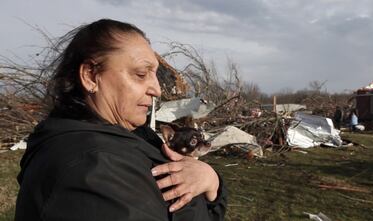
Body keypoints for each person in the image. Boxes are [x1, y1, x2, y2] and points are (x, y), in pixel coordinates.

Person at [15, 19, 227, 221]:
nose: (157, 90)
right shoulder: (90, 169)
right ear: (90, 76)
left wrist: (210, 180)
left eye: (156, 75)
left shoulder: (129, 135)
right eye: (142, 74)